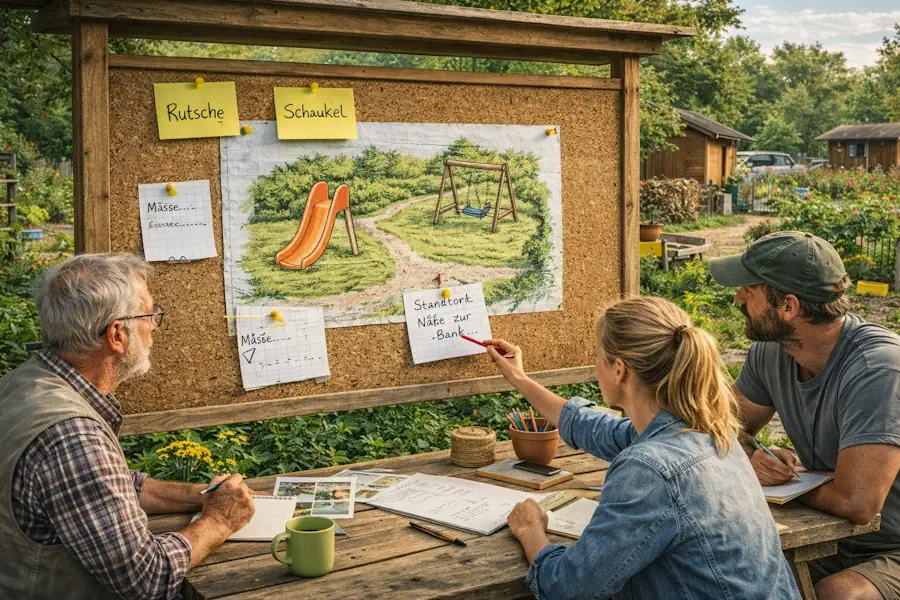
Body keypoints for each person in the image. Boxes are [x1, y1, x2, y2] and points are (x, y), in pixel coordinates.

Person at [484, 296, 799, 600]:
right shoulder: (706, 429)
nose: (595, 367)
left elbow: (570, 586)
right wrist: (519, 378)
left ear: (618, 370)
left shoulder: (649, 468)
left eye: (597, 356)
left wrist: (530, 530)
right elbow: (590, 427)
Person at [0, 253, 255, 600]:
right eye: (149, 315)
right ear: (118, 335)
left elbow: (109, 488)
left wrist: (205, 494)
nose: (154, 326)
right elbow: (146, 577)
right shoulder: (72, 436)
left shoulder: (23, 383)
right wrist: (220, 521)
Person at [710, 231, 900, 600]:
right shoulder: (773, 352)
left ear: (789, 307)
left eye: (749, 289)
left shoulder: (878, 369)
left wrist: (787, 484)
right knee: (715, 567)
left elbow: (857, 503)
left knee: (839, 595)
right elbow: (721, 427)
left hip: (890, 547)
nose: (738, 297)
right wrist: (751, 457)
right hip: (833, 536)